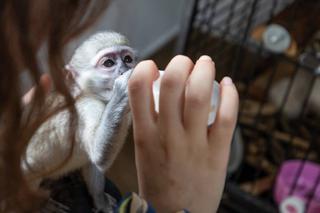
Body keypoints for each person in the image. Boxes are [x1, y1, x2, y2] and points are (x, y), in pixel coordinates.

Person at [0, 0, 239, 212]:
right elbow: (99, 156)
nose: (122, 70)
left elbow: (91, 164)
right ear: (73, 78)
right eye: (107, 63)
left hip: (53, 168)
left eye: (127, 60)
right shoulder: (86, 105)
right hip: (23, 178)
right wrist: (174, 206)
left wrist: (98, 199)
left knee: (104, 194)